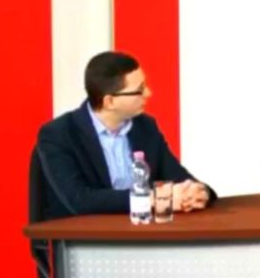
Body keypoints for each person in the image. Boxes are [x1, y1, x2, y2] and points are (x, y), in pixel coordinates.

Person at [36, 51, 215, 220]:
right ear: (109, 101)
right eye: (139, 90)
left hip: (142, 231)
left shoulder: (145, 126)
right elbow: (80, 200)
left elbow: (177, 175)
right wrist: (154, 199)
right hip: (85, 235)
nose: (148, 94)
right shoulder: (59, 134)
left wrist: (198, 192)